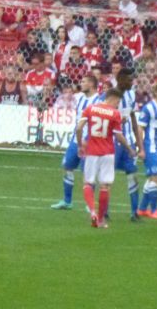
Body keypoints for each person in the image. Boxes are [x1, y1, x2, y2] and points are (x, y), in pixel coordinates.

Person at [77, 89, 136, 228]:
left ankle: (92, 212)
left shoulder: (90, 108)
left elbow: (79, 128)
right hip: (108, 152)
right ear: (113, 98)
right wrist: (129, 148)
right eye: (118, 101)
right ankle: (101, 219)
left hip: (91, 151)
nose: (118, 104)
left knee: (87, 183)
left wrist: (80, 145)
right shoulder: (115, 114)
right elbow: (118, 136)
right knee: (105, 186)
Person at [51, 74, 101, 210]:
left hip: (90, 141)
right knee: (67, 166)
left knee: (88, 173)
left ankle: (89, 204)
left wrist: (87, 140)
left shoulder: (98, 101)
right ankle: (67, 201)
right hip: (76, 140)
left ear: (91, 84)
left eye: (83, 81)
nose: (81, 83)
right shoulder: (79, 98)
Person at [136, 81, 157, 219]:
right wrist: (141, 149)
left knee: (152, 178)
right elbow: (140, 128)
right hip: (151, 148)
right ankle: (154, 210)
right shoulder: (148, 108)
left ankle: (142, 208)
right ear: (156, 92)